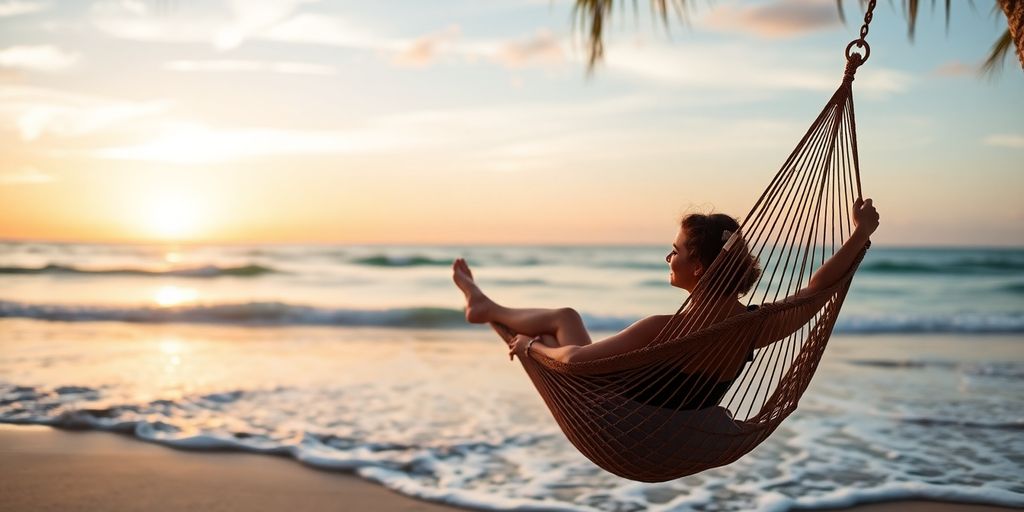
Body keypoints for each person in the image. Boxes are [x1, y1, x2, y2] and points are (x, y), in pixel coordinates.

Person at [451, 198, 880, 402]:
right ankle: (485, 308)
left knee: (559, 324)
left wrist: (532, 348)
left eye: (676, 250)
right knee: (563, 318)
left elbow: (578, 364)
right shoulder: (752, 327)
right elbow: (814, 292)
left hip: (614, 416)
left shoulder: (665, 329)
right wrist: (859, 234)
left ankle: (486, 308)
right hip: (678, 426)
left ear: (697, 267)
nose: (668, 257)